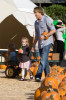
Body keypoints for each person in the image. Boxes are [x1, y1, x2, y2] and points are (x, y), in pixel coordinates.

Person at [32, 7, 56, 82]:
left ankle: (38, 76)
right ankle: (48, 76)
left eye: (36, 12)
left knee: (42, 59)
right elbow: (36, 35)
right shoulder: (36, 22)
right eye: (34, 12)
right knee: (45, 60)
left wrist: (45, 35)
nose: (35, 14)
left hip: (47, 42)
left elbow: (53, 30)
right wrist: (33, 45)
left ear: (40, 12)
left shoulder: (46, 19)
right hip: (40, 44)